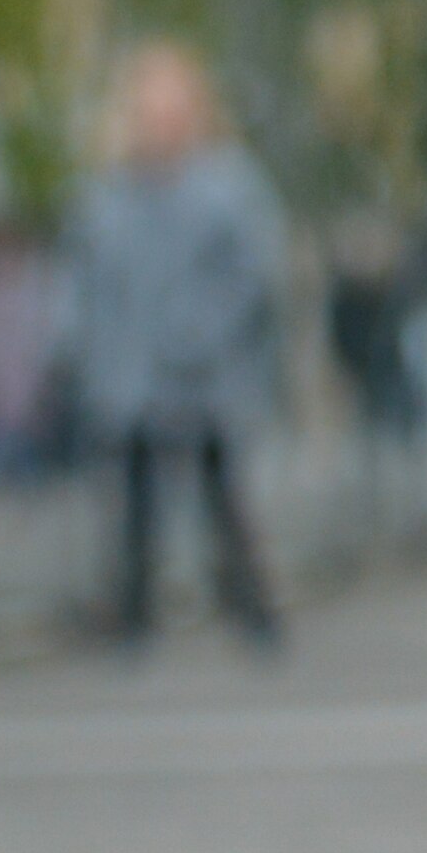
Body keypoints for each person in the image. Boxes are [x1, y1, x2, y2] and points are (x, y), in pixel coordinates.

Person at [65, 43, 286, 655]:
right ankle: (132, 620)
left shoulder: (229, 189)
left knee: (224, 499)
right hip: (133, 377)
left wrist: (201, 332)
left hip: (206, 374)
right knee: (134, 505)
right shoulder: (106, 197)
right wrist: (85, 353)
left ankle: (252, 612)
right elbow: (86, 286)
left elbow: (254, 276)